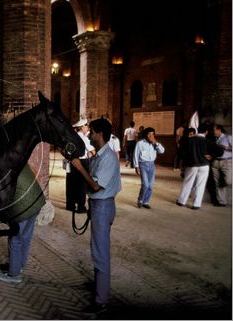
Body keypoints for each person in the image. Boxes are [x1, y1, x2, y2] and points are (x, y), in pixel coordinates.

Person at [70, 118, 121, 314]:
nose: (89, 134)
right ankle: (99, 287)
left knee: (100, 253)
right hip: (99, 205)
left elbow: (96, 185)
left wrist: (79, 167)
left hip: (103, 205)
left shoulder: (107, 157)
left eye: (91, 131)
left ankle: (101, 301)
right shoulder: (100, 155)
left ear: (100, 134)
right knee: (97, 249)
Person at [0, 163, 46, 284]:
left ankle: (14, 274)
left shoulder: (5, 167)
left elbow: (2, 194)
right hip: (37, 201)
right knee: (26, 237)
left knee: (15, 240)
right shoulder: (20, 160)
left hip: (23, 207)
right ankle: (19, 265)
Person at [176, 124, 210, 210]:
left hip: (192, 164)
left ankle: (181, 201)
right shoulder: (207, 141)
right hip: (204, 165)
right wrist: (212, 156)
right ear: (206, 132)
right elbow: (220, 150)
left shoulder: (189, 140)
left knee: (188, 183)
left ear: (197, 130)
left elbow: (180, 153)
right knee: (200, 185)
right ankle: (196, 204)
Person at [66, 119, 95, 214]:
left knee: (73, 184)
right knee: (82, 185)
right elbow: (93, 150)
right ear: (82, 127)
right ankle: (81, 206)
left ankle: (70, 205)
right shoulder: (84, 138)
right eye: (86, 126)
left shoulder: (73, 136)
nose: (88, 128)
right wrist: (92, 154)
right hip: (82, 162)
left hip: (73, 161)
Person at [133, 127, 165, 209]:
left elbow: (162, 151)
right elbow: (136, 155)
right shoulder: (140, 143)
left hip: (152, 165)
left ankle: (145, 201)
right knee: (145, 184)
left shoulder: (154, 143)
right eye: (149, 134)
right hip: (143, 165)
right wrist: (136, 166)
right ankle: (140, 200)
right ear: (145, 135)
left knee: (150, 186)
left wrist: (156, 143)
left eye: (152, 134)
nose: (151, 136)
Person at [211, 124, 232, 207]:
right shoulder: (216, 139)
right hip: (216, 161)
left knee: (227, 181)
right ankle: (221, 201)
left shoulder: (228, 137)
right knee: (217, 182)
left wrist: (225, 147)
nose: (213, 132)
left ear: (219, 130)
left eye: (214, 130)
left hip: (226, 162)